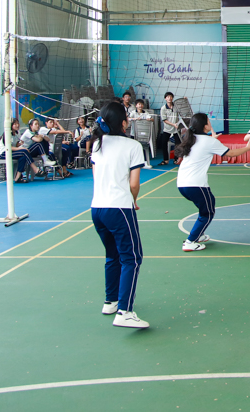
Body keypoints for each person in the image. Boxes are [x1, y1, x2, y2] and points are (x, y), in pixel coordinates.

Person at [89, 101, 149, 329]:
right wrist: (133, 200)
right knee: (132, 258)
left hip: (97, 209)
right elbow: (134, 184)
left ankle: (111, 301)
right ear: (124, 123)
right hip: (119, 208)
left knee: (112, 254)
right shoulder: (132, 146)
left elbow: (97, 178)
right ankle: (125, 312)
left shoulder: (97, 144)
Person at [174, 113, 250, 252]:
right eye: (209, 121)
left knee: (205, 208)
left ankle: (198, 234)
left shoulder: (190, 139)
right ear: (204, 125)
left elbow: (202, 147)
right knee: (207, 212)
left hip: (182, 184)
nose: (210, 123)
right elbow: (231, 154)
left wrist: (212, 140)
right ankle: (190, 242)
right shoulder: (209, 142)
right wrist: (249, 148)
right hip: (196, 185)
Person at [157, 92, 182, 166]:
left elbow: (183, 109)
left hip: (176, 129)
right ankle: (166, 160)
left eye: (171, 97)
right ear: (165, 98)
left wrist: (185, 100)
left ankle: (176, 159)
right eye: (168, 97)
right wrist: (173, 124)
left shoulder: (176, 106)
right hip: (167, 129)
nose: (169, 98)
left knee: (178, 144)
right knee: (163, 143)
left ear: (172, 98)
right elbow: (164, 120)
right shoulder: (163, 108)